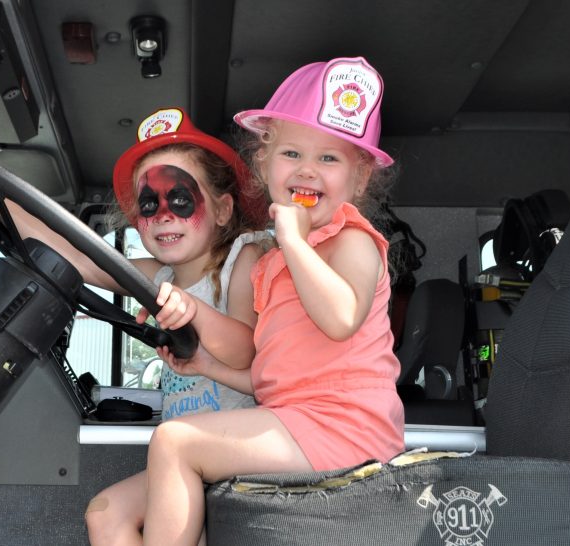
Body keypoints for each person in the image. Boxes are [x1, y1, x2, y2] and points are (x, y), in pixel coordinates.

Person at [0, 107, 271, 544]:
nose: (164, 215)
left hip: (237, 446)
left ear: (225, 209)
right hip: (185, 457)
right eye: (149, 205)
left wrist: (194, 311)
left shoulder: (240, 262)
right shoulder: (158, 278)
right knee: (105, 513)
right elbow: (73, 253)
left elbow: (246, 352)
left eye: (181, 198)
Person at [140, 57, 405, 545]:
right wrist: (206, 366)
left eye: (329, 159)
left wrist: (297, 242)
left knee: (175, 441)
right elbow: (274, 374)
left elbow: (342, 319)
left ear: (360, 178)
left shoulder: (353, 242)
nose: (307, 170)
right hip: (297, 420)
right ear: (264, 164)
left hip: (348, 430)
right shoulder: (271, 266)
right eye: (291, 154)